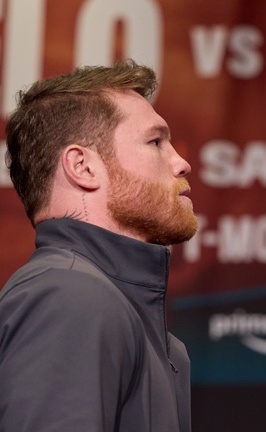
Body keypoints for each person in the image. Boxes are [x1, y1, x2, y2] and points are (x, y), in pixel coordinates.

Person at [0, 59, 198, 431]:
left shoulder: (126, 316)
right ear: (83, 167)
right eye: (155, 141)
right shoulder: (69, 296)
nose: (182, 162)